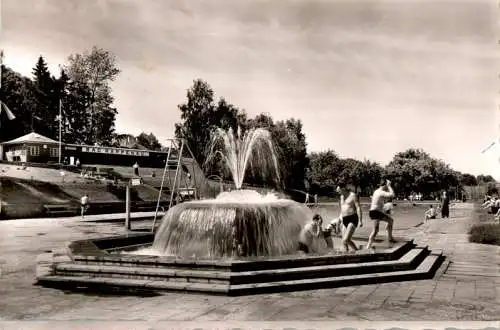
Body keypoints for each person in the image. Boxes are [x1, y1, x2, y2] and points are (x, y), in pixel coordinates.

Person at [366, 179, 396, 250]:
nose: (387, 188)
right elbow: (392, 195)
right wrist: (389, 186)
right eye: (386, 186)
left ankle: (390, 238)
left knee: (390, 220)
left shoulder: (376, 191)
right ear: (385, 185)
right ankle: (368, 246)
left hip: (376, 212)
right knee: (375, 230)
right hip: (375, 212)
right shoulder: (380, 192)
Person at [336, 181, 363, 252]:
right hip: (344, 219)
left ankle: (357, 251)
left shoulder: (353, 195)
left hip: (352, 218)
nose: (338, 192)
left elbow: (358, 207)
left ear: (343, 189)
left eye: (339, 191)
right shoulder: (341, 197)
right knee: (344, 243)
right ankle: (346, 255)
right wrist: (338, 222)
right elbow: (342, 210)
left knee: (346, 240)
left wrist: (360, 220)